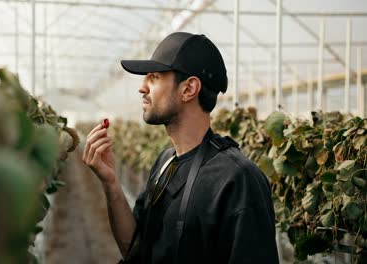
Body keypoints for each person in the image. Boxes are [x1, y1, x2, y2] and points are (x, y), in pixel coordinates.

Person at [82, 32, 279, 264]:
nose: (142, 87)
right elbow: (135, 250)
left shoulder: (238, 180)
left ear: (188, 89)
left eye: (154, 77)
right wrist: (111, 184)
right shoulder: (165, 162)